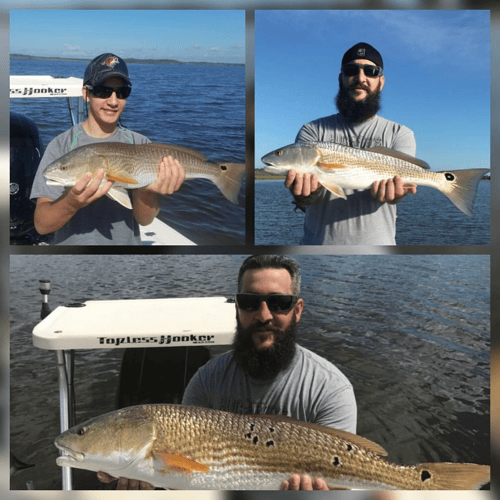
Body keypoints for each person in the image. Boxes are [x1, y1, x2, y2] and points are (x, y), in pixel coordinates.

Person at [98, 255, 356, 490]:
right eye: (249, 302)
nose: (263, 315)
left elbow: (344, 480)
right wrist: (149, 476)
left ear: (297, 310)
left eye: (279, 303)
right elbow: (186, 477)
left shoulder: (330, 388)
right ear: (237, 309)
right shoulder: (206, 379)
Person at [30, 53, 185, 245]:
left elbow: (145, 220)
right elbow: (42, 226)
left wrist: (147, 191)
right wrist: (72, 202)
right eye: (103, 91)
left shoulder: (141, 143)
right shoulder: (60, 145)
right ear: (86, 94)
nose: (113, 101)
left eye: (122, 92)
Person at [285, 42, 418, 245]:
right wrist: (303, 195)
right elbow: (306, 199)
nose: (361, 78)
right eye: (351, 70)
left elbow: (402, 187)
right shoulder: (312, 131)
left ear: (380, 82)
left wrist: (397, 195)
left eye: (371, 71)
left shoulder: (400, 133)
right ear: (341, 78)